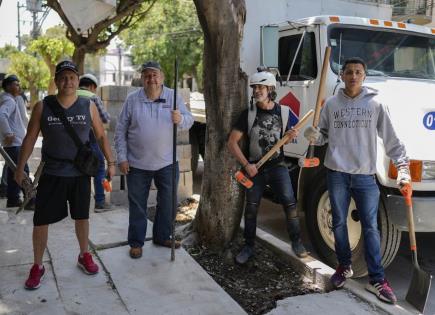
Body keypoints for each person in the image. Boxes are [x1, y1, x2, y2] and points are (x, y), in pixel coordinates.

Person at [304, 57, 410, 304]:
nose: (353, 76)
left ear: (364, 76)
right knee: (338, 223)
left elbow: (392, 139)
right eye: (349, 72)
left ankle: (377, 280)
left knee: (371, 228)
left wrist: (402, 167)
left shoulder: (376, 104)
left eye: (358, 72)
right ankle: (344, 266)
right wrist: (314, 136)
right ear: (341, 75)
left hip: (364, 175)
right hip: (336, 173)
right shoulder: (331, 104)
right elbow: (324, 138)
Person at [14, 60, 116, 290]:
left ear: (77, 80)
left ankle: (84, 255)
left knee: (82, 217)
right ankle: (38, 266)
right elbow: (29, 139)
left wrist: (111, 161)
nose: (68, 81)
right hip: (52, 173)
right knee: (41, 221)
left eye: (71, 77)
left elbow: (100, 136)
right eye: (63, 77)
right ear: (56, 81)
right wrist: (20, 168)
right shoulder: (43, 106)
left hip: (80, 174)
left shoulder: (88, 105)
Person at [114, 61, 194, 259]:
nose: (151, 79)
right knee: (138, 205)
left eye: (155, 75)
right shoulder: (132, 100)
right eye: (147, 75)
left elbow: (189, 120)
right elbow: (120, 130)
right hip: (137, 164)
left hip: (167, 163)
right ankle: (136, 242)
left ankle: (162, 236)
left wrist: (180, 119)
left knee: (168, 202)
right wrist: (122, 158)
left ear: (162, 77)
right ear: (142, 79)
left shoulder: (174, 97)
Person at [227, 70, 308, 265]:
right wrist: (247, 165)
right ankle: (248, 246)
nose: (256, 91)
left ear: (270, 89)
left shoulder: (284, 112)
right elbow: (232, 143)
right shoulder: (248, 115)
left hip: (278, 166)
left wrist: (290, 136)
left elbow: (293, 137)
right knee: (251, 209)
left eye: (261, 87)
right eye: (254, 88)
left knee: (290, 203)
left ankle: (297, 242)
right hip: (255, 169)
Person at [77, 73, 111, 211]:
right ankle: (100, 202)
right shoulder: (92, 97)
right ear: (92, 86)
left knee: (78, 166)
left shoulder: (70, 94)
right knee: (99, 167)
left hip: (72, 138)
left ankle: (77, 202)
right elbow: (105, 119)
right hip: (91, 135)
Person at [0, 75, 32, 208]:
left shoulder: (11, 99)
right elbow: (1, 115)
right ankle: (31, 199)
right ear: (8, 87)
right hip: (15, 144)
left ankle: (13, 199)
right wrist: (8, 133)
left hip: (14, 144)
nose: (18, 86)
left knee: (13, 171)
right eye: (15, 84)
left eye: (19, 84)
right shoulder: (9, 101)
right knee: (23, 171)